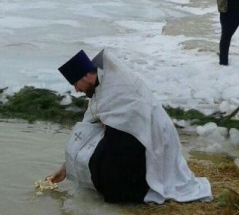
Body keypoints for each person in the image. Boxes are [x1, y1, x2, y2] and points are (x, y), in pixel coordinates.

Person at [50, 49, 213, 204]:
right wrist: (65, 168)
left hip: (152, 138)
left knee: (105, 155)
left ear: (86, 76)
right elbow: (87, 127)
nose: (76, 90)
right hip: (131, 136)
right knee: (99, 154)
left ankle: (134, 188)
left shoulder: (119, 85)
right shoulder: (100, 88)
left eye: (76, 84)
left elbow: (132, 124)